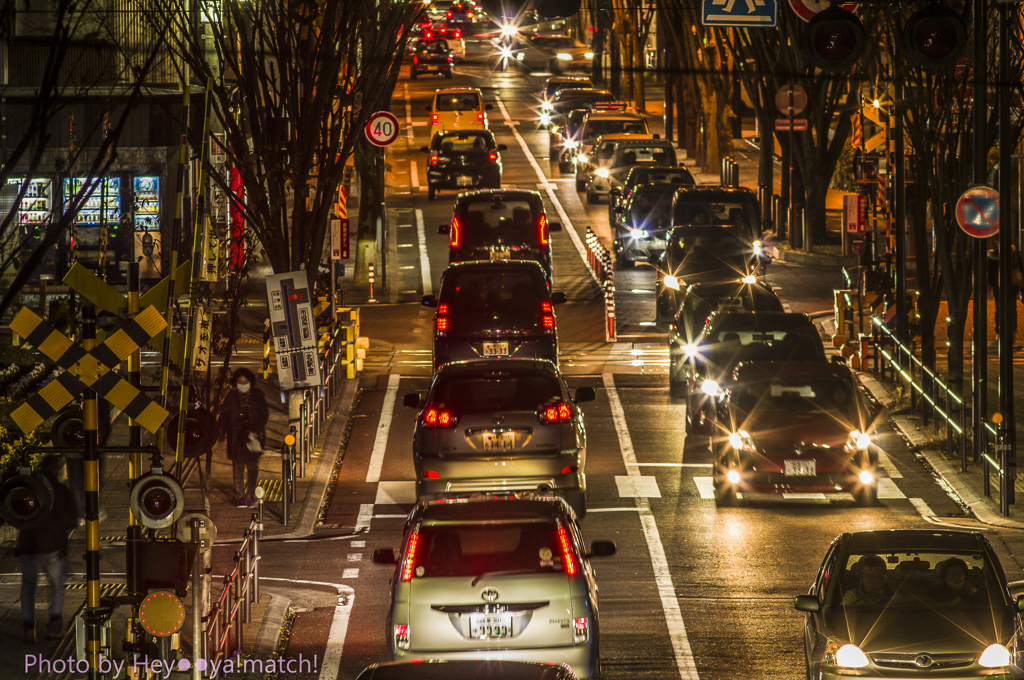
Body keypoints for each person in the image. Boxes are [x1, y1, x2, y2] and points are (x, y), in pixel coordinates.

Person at [17, 455, 78, 644]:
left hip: (28, 545)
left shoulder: (27, 489)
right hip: (53, 547)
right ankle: (54, 629)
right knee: (56, 586)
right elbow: (71, 521)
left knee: (28, 587)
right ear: (57, 470)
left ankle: (29, 629)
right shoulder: (61, 490)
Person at [217, 368, 269, 508]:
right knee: (238, 467)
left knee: (252, 466)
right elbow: (224, 416)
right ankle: (241, 496)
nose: (243, 384)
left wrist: (256, 430)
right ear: (235, 382)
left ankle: (252, 494)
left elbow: (264, 414)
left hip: (253, 436)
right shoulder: (231, 397)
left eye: (245, 381)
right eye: (240, 382)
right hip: (236, 436)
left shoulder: (257, 395)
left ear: (250, 382)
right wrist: (221, 435)